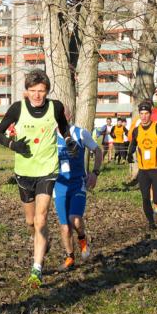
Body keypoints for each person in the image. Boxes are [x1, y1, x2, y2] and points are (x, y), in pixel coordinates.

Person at [0, 68, 78, 287]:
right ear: (27, 91)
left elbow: (64, 128)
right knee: (30, 222)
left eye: (41, 91)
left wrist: (69, 141)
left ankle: (36, 268)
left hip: (48, 170)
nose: (37, 95)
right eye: (33, 91)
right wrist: (14, 145)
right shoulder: (17, 109)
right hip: (24, 172)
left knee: (41, 219)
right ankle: (42, 239)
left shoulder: (55, 107)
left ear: (47, 90)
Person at [54, 110, 103, 271]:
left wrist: (95, 173)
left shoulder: (80, 133)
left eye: (62, 115)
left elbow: (97, 151)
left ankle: (82, 240)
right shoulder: (50, 137)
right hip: (59, 186)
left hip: (77, 184)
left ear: (68, 116)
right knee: (65, 226)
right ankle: (70, 258)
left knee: (75, 219)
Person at [127, 101, 157, 229]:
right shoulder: (136, 130)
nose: (143, 116)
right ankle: (151, 222)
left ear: (150, 114)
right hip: (143, 171)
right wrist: (129, 153)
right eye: (141, 114)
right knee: (145, 198)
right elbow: (133, 144)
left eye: (146, 113)